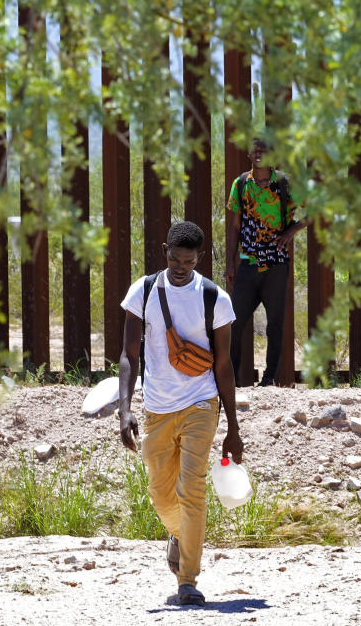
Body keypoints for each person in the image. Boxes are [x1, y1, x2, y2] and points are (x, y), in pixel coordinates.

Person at [117, 221, 244, 607]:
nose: (180, 267)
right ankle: (179, 535)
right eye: (174, 258)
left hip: (201, 402)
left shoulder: (215, 299)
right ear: (163, 251)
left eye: (188, 261)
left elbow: (223, 366)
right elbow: (129, 356)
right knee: (159, 493)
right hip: (156, 406)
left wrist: (233, 428)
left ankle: (187, 580)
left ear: (199, 259)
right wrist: (124, 410)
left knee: (192, 489)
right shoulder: (143, 291)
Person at [224, 137, 306, 387]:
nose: (259, 153)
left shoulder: (285, 183)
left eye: (265, 149)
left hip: (277, 263)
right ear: (248, 153)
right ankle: (233, 381)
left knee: (275, 324)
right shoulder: (240, 184)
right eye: (255, 149)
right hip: (248, 262)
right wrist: (230, 262)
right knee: (234, 323)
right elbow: (235, 226)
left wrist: (291, 232)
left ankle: (269, 379)